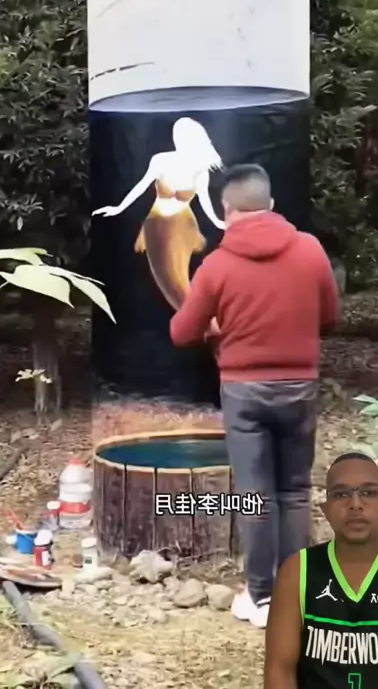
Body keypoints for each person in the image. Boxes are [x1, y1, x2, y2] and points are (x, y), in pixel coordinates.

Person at [170, 163, 339, 627]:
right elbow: (331, 317)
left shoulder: (217, 265)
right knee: (295, 491)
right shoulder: (309, 250)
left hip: (243, 393)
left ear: (226, 210)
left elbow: (181, 332)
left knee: (255, 496)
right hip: (299, 387)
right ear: (271, 204)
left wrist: (215, 328)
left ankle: (262, 597)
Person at [264, 451, 378, 689]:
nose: (355, 504)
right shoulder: (297, 571)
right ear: (326, 509)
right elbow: (280, 672)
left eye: (368, 492)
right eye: (341, 494)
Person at [92, 117, 225, 310]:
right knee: (164, 277)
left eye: (183, 136)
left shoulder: (200, 170)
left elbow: (204, 199)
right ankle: (195, 316)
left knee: (179, 277)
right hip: (155, 223)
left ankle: (199, 316)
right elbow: (141, 186)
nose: (178, 139)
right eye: (176, 134)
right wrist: (119, 208)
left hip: (182, 225)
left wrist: (217, 221)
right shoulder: (161, 160)